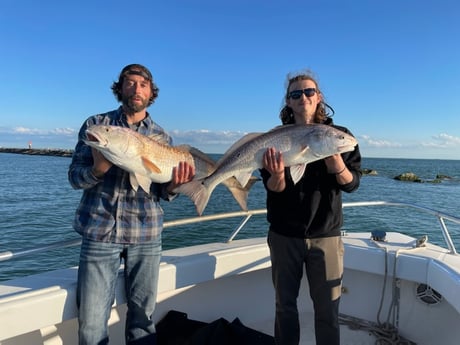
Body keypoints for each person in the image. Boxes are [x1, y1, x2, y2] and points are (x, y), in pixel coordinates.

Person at [68, 64, 195, 345]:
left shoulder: (162, 138)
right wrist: (97, 170)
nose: (136, 89)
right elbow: (75, 177)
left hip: (146, 235)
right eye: (130, 82)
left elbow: (163, 191)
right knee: (91, 323)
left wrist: (175, 185)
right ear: (120, 87)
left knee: (143, 319)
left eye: (143, 84)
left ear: (151, 93)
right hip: (100, 232)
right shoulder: (97, 125)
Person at [260, 70, 361, 345]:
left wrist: (337, 164)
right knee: (284, 307)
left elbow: (352, 184)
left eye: (308, 92)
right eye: (296, 94)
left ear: (319, 98)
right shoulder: (274, 139)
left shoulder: (338, 136)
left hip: (326, 235)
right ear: (288, 102)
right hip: (284, 235)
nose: (303, 97)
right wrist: (278, 175)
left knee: (328, 310)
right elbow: (273, 188)